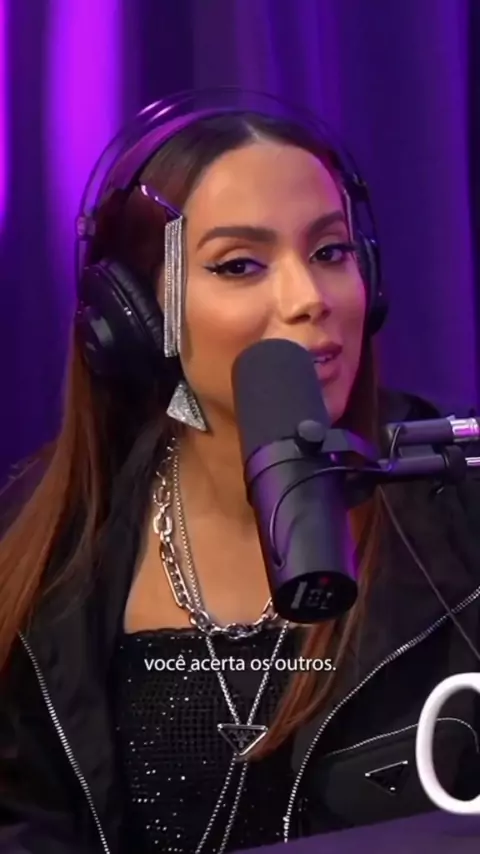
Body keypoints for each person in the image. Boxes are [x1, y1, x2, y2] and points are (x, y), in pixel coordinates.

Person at [0, 89, 480, 854]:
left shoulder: (458, 504)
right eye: (240, 265)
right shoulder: (39, 556)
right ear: (137, 316)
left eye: (330, 252)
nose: (308, 299)